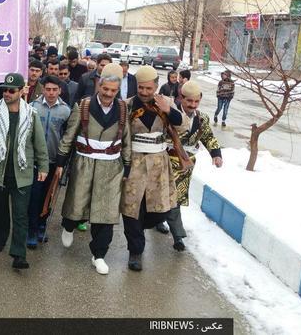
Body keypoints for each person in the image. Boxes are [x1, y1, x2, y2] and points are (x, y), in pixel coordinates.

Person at [56, 63, 131, 274]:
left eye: (113, 91)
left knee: (106, 212)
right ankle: (68, 225)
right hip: (84, 162)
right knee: (76, 201)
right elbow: (69, 135)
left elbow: (127, 139)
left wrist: (127, 166)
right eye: (105, 89)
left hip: (111, 166)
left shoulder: (123, 108)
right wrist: (61, 162)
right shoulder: (84, 106)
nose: (108, 94)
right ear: (99, 84)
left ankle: (99, 254)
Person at [0, 73, 49, 270]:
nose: (6, 93)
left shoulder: (31, 114)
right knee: (0, 211)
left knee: (20, 214)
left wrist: (43, 166)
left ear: (21, 91)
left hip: (22, 172)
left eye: (11, 90)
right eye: (4, 90)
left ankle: (18, 254)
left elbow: (39, 143)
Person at [122, 66, 189, 271]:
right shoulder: (127, 105)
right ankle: (135, 251)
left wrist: (170, 112)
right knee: (133, 210)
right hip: (134, 162)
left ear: (156, 86)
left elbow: (183, 125)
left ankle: (141, 229)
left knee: (160, 211)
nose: (144, 92)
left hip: (159, 164)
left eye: (148, 88)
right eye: (141, 88)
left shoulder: (165, 103)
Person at [163, 81, 222, 251]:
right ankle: (177, 234)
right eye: (189, 101)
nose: (192, 105)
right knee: (167, 197)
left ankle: (174, 233)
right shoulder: (169, 114)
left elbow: (209, 137)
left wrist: (216, 154)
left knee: (176, 199)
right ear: (181, 98)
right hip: (166, 161)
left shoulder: (202, 118)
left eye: (196, 102)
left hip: (186, 165)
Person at [27, 75, 70, 249]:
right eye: (48, 89)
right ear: (43, 89)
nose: (51, 93)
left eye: (55, 90)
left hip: (53, 161)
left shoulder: (66, 111)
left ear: (59, 90)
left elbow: (67, 138)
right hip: (35, 161)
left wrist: (62, 162)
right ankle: (31, 229)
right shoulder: (33, 107)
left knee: (48, 195)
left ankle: (42, 225)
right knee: (34, 196)